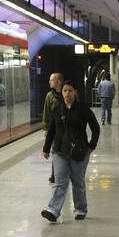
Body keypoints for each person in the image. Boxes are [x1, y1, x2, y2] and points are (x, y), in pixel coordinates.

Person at [41, 80, 100, 222]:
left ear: (75, 92)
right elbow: (52, 130)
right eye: (65, 91)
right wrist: (46, 148)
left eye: (70, 91)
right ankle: (53, 210)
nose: (67, 93)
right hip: (60, 151)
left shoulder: (83, 109)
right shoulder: (58, 109)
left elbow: (95, 128)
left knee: (77, 181)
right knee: (60, 182)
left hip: (79, 151)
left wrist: (92, 145)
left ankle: (80, 209)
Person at [41, 72, 64, 184]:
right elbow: (46, 112)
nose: (50, 82)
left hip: (66, 129)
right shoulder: (49, 96)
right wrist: (45, 128)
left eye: (52, 80)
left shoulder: (66, 93)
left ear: (59, 81)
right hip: (54, 129)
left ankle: (64, 172)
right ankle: (54, 174)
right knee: (55, 151)